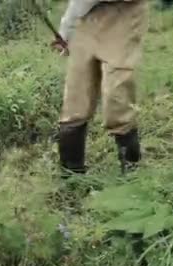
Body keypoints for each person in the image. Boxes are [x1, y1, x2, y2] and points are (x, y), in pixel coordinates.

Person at [52, 0, 148, 176]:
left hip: (124, 14)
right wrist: (67, 31)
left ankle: (132, 176)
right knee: (75, 98)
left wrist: (65, 28)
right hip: (86, 20)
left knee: (117, 97)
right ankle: (71, 176)